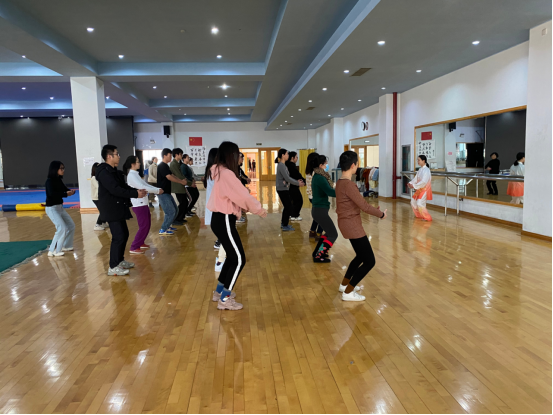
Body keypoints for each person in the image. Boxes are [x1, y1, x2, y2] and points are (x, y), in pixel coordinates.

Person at [207, 141, 268, 311]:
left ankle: (219, 292)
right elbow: (242, 196)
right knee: (239, 259)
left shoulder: (220, 171)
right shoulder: (227, 174)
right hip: (224, 219)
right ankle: (225, 300)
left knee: (232, 257)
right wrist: (258, 209)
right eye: (238, 154)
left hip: (220, 219)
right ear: (231, 155)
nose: (239, 157)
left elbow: (236, 196)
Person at [336, 151, 387, 301]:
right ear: (353, 165)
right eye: (357, 163)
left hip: (346, 223)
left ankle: (344, 285)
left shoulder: (340, 182)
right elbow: (364, 206)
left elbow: (356, 204)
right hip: (352, 225)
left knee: (360, 256)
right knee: (370, 261)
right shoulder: (349, 185)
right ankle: (348, 292)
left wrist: (374, 210)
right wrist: (381, 214)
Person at [95, 145, 147, 276]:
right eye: (116, 154)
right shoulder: (104, 172)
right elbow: (115, 189)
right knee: (118, 236)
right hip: (111, 208)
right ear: (109, 156)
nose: (119, 156)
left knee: (124, 234)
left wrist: (136, 191)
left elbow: (123, 186)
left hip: (118, 207)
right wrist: (135, 194)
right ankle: (113, 266)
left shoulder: (113, 171)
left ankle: (119, 260)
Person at [123, 155, 163, 254]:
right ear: (132, 164)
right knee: (144, 225)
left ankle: (141, 242)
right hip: (138, 204)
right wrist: (157, 191)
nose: (139, 163)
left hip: (143, 202)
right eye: (137, 161)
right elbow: (142, 186)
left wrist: (157, 189)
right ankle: (134, 246)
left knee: (147, 224)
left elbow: (145, 185)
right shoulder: (131, 175)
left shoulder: (135, 174)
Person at [45, 161, 76, 257]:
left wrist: (70, 191)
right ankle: (53, 250)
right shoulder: (49, 181)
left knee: (71, 225)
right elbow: (51, 194)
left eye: (63, 168)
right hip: (52, 208)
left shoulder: (58, 180)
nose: (63, 170)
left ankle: (66, 245)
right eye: (61, 168)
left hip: (60, 208)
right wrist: (66, 194)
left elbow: (64, 189)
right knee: (61, 228)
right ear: (55, 169)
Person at [310, 154, 338, 262]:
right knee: (333, 234)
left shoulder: (318, 176)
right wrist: (343, 191)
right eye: (325, 164)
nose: (327, 165)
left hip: (319, 210)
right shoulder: (320, 178)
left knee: (328, 232)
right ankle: (318, 256)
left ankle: (317, 252)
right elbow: (330, 192)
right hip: (320, 210)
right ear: (320, 165)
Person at [203, 148, 225, 271]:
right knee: (221, 225)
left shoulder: (210, 169)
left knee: (218, 224)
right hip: (216, 202)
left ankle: (219, 241)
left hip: (213, 201)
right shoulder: (216, 170)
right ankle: (220, 244)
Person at [157, 148, 187, 235]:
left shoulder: (166, 166)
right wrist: (181, 182)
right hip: (163, 193)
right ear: (164, 156)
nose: (171, 157)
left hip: (167, 192)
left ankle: (168, 225)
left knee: (175, 210)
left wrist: (181, 180)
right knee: (170, 211)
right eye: (169, 156)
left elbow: (172, 175)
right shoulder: (162, 165)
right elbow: (169, 177)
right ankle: (163, 229)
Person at [275, 148, 305, 231]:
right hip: (282, 189)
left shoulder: (283, 165)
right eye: (287, 154)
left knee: (287, 206)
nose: (288, 155)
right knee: (288, 206)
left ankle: (284, 223)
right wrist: (298, 183)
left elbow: (288, 177)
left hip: (284, 188)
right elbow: (287, 178)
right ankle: (285, 225)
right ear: (283, 155)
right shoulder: (281, 165)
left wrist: (297, 181)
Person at [408, 155, 433, 221]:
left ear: (423, 161)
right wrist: (411, 183)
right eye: (417, 160)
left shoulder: (427, 170)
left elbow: (424, 182)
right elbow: (416, 179)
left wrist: (414, 186)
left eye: (419, 160)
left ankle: (427, 217)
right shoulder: (420, 170)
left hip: (425, 189)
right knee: (413, 201)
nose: (418, 161)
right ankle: (419, 215)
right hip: (420, 189)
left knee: (420, 203)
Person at [305, 152, 324, 239]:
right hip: (317, 196)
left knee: (317, 215)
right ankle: (319, 233)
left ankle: (312, 231)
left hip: (311, 196)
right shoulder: (316, 172)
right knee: (322, 216)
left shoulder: (308, 171)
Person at [170, 148, 189, 224]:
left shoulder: (177, 163)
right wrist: (188, 182)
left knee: (184, 202)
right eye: (181, 154)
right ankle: (176, 219)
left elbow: (181, 175)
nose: (181, 155)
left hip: (180, 186)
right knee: (183, 203)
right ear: (176, 155)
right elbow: (179, 176)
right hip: (177, 186)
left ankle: (180, 218)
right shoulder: (173, 164)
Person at [285, 151, 305, 221]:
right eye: (296, 157)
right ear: (292, 158)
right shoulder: (291, 165)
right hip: (293, 186)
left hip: (290, 186)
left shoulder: (287, 165)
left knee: (293, 201)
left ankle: (291, 215)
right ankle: (294, 215)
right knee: (299, 200)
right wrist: (304, 181)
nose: (297, 158)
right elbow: (297, 175)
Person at [91, 162, 107, 231]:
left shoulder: (98, 177)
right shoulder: (94, 178)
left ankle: (103, 222)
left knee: (104, 210)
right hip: (96, 198)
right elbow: (99, 187)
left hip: (100, 197)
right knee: (103, 211)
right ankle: (97, 224)